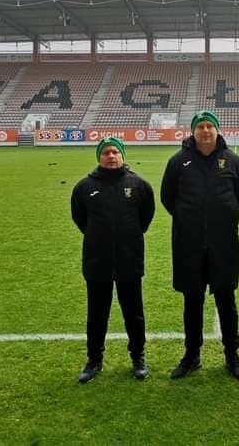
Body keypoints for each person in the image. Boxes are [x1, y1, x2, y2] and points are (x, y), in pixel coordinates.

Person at [161, 110, 239, 380]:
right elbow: (168, 198)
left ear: (217, 130)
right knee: (192, 300)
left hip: (224, 244)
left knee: (226, 299)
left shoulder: (233, 161)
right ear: (193, 131)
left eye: (210, 125)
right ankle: (192, 355)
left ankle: (232, 355)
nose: (206, 130)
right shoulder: (178, 162)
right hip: (189, 244)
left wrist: (223, 215)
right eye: (200, 126)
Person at [71, 137, 155, 383]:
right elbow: (80, 219)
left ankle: (138, 357)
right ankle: (94, 360)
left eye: (115, 152)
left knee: (134, 313)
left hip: (130, 259)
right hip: (98, 261)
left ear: (122, 155)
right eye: (106, 152)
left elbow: (145, 218)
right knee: (97, 313)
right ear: (99, 157)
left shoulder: (138, 185)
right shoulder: (85, 187)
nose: (111, 156)